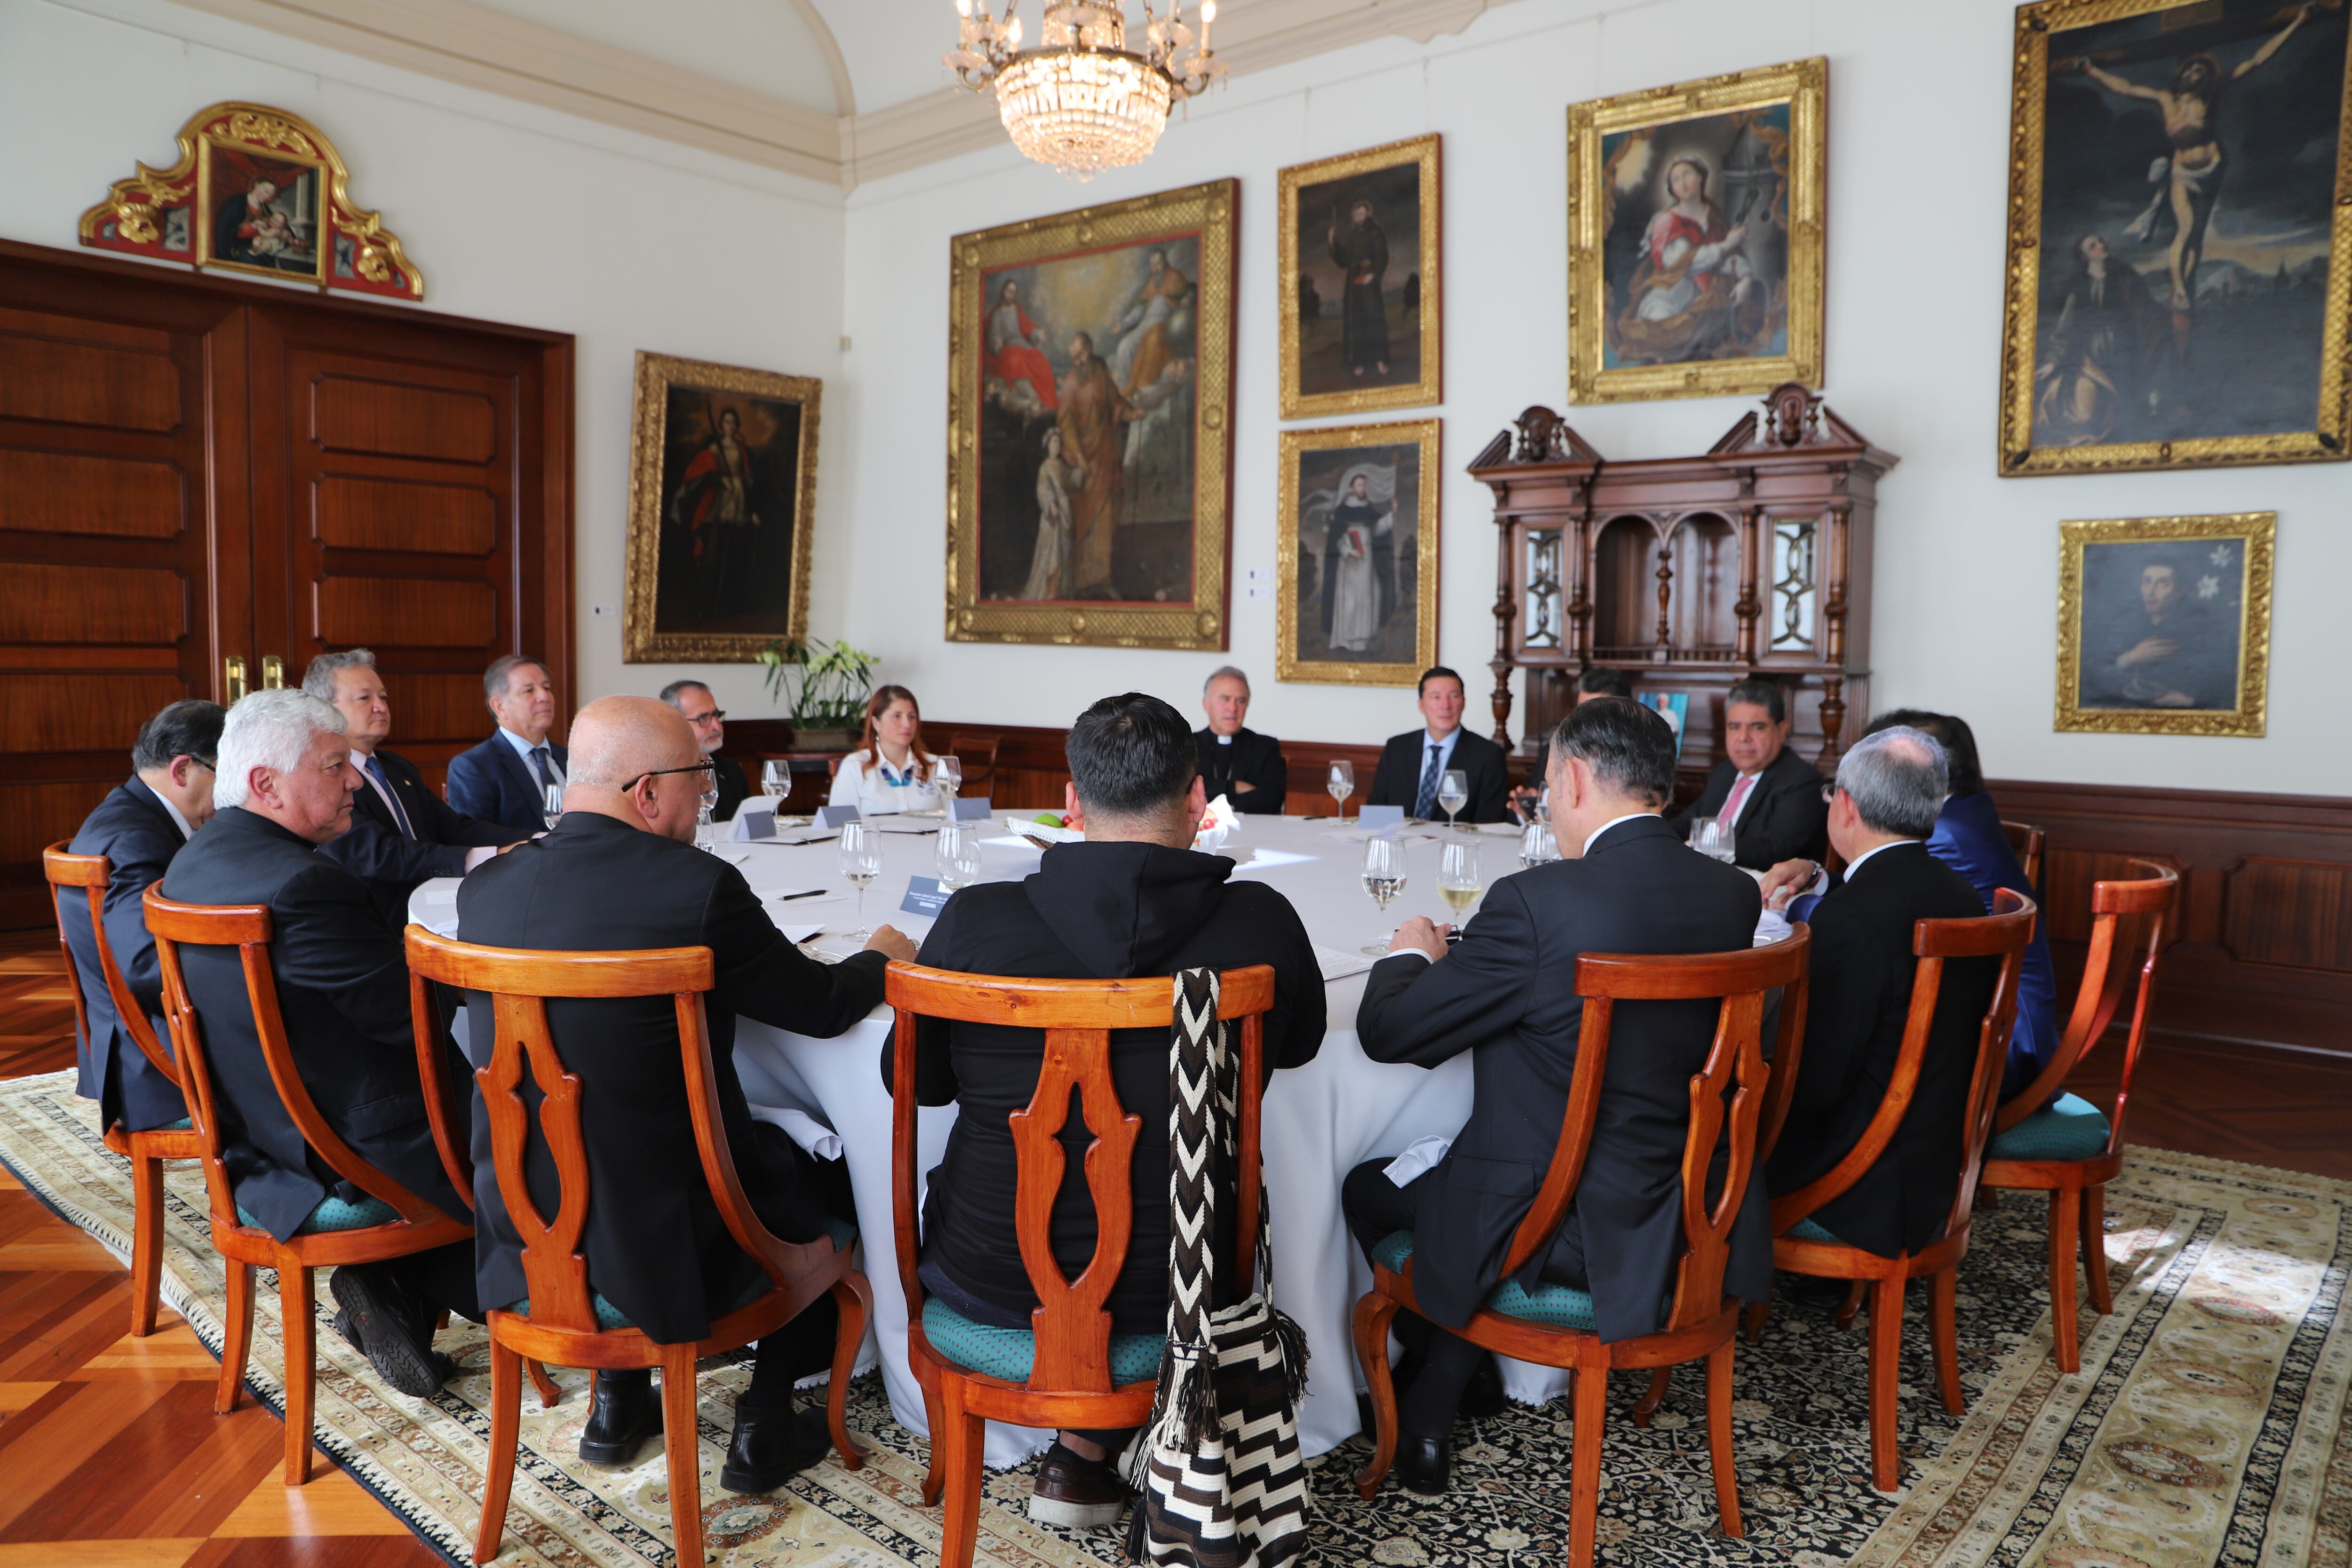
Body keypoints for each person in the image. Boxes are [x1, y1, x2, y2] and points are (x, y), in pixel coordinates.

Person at [886, 692, 1326, 1527]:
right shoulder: (1260, 923)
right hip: (1190, 1293)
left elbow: (915, 1083)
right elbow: (1297, 1049)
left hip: (987, 1281)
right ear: (1199, 801)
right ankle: (1109, 1448)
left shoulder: (976, 922)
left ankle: (1078, 1449)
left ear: (1073, 802)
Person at [457, 696, 915, 1489]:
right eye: (698, 784)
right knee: (828, 1165)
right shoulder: (696, 888)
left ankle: (618, 1407)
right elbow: (822, 1004)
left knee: (615, 1132)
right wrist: (883, 952)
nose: (704, 800)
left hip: (525, 1218)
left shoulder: (487, 890)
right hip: (677, 1239)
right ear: (646, 792)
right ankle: (767, 1416)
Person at [1344, 698, 1768, 1495]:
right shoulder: (1732, 896)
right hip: (1695, 1205)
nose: (1544, 800)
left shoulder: (1540, 903)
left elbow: (1391, 1032)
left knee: (1369, 1185)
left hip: (1557, 1224)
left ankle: (1429, 1399)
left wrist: (1408, 954)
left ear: (1574, 778)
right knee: (1465, 1171)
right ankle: (1455, 1384)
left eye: (1543, 785)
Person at [159, 690, 477, 1397]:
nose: (356, 781)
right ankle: (594, 1314)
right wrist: (481, 983)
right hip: (351, 1144)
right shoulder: (305, 881)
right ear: (266, 783)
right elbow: (411, 1022)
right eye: (335, 766)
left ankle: (394, 1281)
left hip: (261, 1135)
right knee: (556, 1115)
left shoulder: (194, 862)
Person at [1756, 729, 1999, 1266]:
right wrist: (1821, 878)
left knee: (1704, 1121)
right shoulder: (1956, 892)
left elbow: (1815, 1088)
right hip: (1930, 1160)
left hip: (1861, 1180)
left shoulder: (1854, 921)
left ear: (1844, 806)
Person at [1861, 710, 2058, 1103]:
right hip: (1998, 1017)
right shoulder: (1962, 810)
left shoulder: (1943, 834)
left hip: (2005, 1045)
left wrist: (1801, 907)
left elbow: (1873, 919)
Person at [2072, 6, 2312, 313]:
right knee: (2184, 231)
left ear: (2207, 77)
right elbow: (2127, 87)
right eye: (2190, 70)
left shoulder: (2213, 95)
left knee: (2197, 235)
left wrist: (2297, 23)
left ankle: (2186, 287)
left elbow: (2257, 59)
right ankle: (2179, 288)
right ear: (2182, 74)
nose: (2195, 73)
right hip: (2182, 172)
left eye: (2201, 71)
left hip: (2211, 168)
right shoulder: (2165, 99)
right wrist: (2092, 71)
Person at [60, 700, 225, 1136]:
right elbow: (145, 965)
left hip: (130, 1040)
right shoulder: (136, 838)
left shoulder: (133, 811)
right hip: (150, 1060)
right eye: (226, 774)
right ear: (183, 770)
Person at [304, 650, 521, 923]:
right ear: (326, 709)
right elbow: (383, 854)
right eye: (365, 698)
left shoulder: (395, 766)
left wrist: (534, 840)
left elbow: (453, 828)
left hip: (438, 907)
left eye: (383, 697)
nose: (381, 707)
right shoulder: (326, 780)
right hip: (376, 924)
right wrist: (494, 856)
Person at [1614, 156, 1762, 365]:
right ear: (1671, 188)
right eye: (1676, 179)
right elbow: (1682, 263)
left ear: (1701, 178)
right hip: (1668, 296)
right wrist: (1726, 244)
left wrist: (1745, 278)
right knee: (1666, 334)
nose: (1682, 183)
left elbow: (1728, 260)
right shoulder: (1666, 222)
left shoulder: (1715, 220)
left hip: (1705, 297)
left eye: (1687, 175)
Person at [1668, 677, 1827, 870]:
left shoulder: (1802, 781)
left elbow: (1775, 851)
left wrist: (1703, 846)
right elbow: (1689, 823)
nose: (1743, 738)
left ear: (1781, 731)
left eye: (1757, 727)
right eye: (1734, 727)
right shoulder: (1725, 771)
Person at [2086, 555, 2234, 709]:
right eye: (2147, 582)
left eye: (2163, 583)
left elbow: (2222, 682)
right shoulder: (2125, 623)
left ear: (2180, 591)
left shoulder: (2200, 629)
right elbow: (2095, 673)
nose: (2150, 592)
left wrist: (2191, 701)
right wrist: (2131, 657)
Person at [1366, 668, 1511, 823]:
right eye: (1436, 697)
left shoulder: (1488, 755)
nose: (1445, 706)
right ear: (1421, 705)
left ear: (1463, 703)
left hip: (1454, 845)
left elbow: (1488, 825)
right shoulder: (1397, 748)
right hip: (1400, 843)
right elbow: (1376, 812)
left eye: (1454, 697)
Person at [445, 655, 568, 834]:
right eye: (529, 691)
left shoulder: (571, 757)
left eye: (547, 688)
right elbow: (474, 836)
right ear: (499, 706)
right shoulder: (474, 767)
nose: (544, 697)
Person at [1057, 332, 1131, 596]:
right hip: (1085, 458)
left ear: (1089, 348)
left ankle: (1103, 579)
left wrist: (1130, 412)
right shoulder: (1070, 382)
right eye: (1074, 358)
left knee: (1106, 515)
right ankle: (1080, 581)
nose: (1078, 362)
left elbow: (1115, 401)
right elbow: (1065, 423)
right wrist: (1078, 457)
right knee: (1085, 515)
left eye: (1081, 355)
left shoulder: (1100, 370)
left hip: (1106, 453)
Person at [1512, 668, 1636, 819]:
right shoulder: (1555, 751)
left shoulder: (1639, 758)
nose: (1585, 721)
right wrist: (1531, 808)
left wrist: (1562, 814)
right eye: (1581, 711)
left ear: (1624, 712)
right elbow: (1539, 811)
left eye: (1595, 713)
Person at [829, 686, 944, 814]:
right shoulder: (855, 766)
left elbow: (955, 820)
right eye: (897, 716)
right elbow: (839, 825)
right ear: (876, 723)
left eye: (912, 717)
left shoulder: (935, 765)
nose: (907, 724)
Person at [1194, 666, 1287, 815]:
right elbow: (1183, 795)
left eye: (1241, 701)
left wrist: (1220, 807)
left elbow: (1271, 800)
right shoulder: (1188, 745)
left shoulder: (1265, 747)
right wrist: (1235, 787)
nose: (1233, 708)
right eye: (1225, 699)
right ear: (1206, 704)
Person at [660, 679, 750, 821]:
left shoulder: (732, 771)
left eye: (716, 715)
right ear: (675, 723)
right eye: (704, 718)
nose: (717, 726)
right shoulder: (661, 777)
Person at [1328, 198, 1391, 378]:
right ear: (1354, 217)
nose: (1360, 216)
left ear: (1368, 214)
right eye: (1357, 214)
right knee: (1357, 322)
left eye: (1363, 213)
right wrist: (1333, 242)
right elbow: (1344, 260)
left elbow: (1382, 256)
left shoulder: (1376, 232)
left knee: (1374, 320)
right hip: (1353, 283)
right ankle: (1359, 361)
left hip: (1369, 281)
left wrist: (1374, 275)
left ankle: (1380, 359)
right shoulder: (1352, 235)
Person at [1020, 427, 1078, 602]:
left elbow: (1072, 482)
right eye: (1055, 442)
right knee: (1053, 552)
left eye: (1059, 443)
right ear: (1048, 446)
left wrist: (1081, 473)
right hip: (1053, 516)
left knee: (1064, 552)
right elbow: (1042, 489)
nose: (1058, 446)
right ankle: (1050, 589)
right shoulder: (1045, 467)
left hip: (1066, 513)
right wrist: (1051, 503)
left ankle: (1061, 588)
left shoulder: (1063, 466)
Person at [985, 278, 1059, 413]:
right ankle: (1032, 396)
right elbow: (994, 338)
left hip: (1023, 346)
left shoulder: (1016, 310)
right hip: (1008, 350)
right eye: (1009, 291)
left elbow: (1027, 326)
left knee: (1040, 360)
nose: (1011, 295)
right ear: (1003, 292)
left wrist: (1038, 333)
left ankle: (1047, 401)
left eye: (1014, 292)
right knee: (1016, 361)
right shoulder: (997, 314)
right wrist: (997, 343)